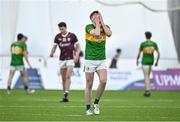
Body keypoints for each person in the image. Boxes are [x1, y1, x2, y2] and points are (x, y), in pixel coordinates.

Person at [84, 11, 112, 115]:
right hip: (90, 60)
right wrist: (96, 23)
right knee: (89, 84)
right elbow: (96, 33)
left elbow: (109, 33)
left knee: (103, 81)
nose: (97, 17)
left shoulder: (105, 26)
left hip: (101, 60)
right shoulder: (88, 27)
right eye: (95, 16)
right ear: (91, 19)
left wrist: (102, 23)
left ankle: (96, 103)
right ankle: (88, 108)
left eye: (99, 15)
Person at [50, 22, 80, 102]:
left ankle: (67, 92)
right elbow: (54, 47)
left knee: (68, 76)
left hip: (70, 58)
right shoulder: (57, 37)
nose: (61, 30)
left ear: (66, 27)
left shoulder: (72, 36)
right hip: (62, 59)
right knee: (63, 79)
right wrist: (52, 53)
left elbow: (78, 47)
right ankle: (65, 96)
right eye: (60, 29)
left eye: (62, 29)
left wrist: (77, 55)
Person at [136, 31, 160, 97]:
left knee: (146, 77)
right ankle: (148, 89)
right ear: (150, 36)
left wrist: (137, 60)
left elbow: (139, 53)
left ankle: (147, 91)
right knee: (148, 77)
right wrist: (157, 61)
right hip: (151, 62)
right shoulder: (154, 43)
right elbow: (158, 53)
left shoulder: (143, 44)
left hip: (145, 62)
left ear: (145, 36)